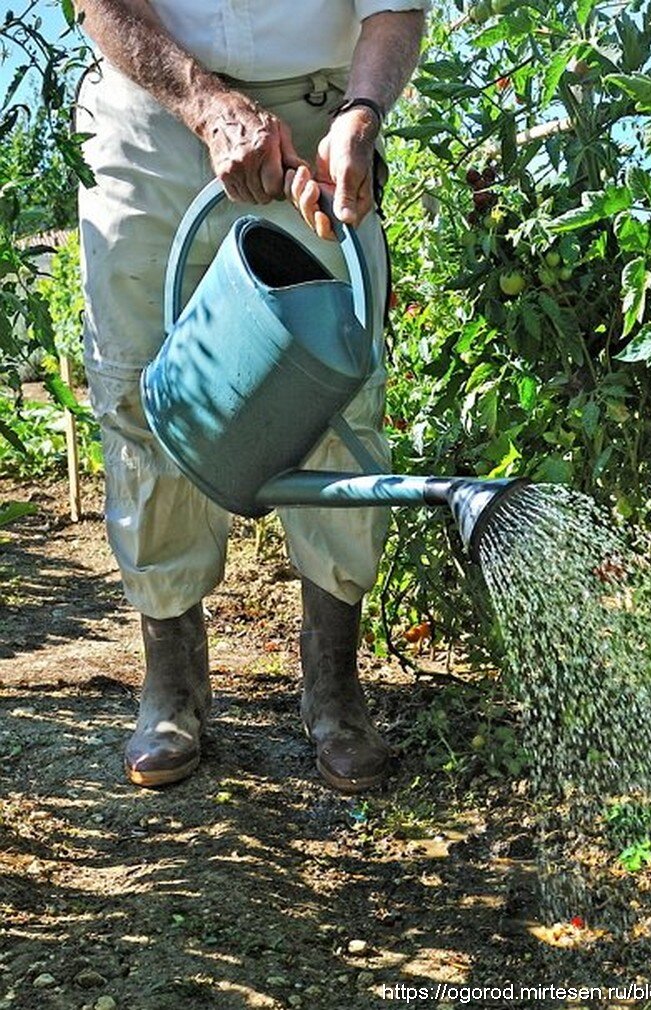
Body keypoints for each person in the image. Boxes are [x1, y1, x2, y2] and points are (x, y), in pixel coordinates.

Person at [72, 0, 428, 792]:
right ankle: (172, 683)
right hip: (151, 112)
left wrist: (362, 113)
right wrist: (204, 104)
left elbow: (394, 10)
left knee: (338, 385)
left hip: (317, 119)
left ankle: (334, 687)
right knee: (145, 389)